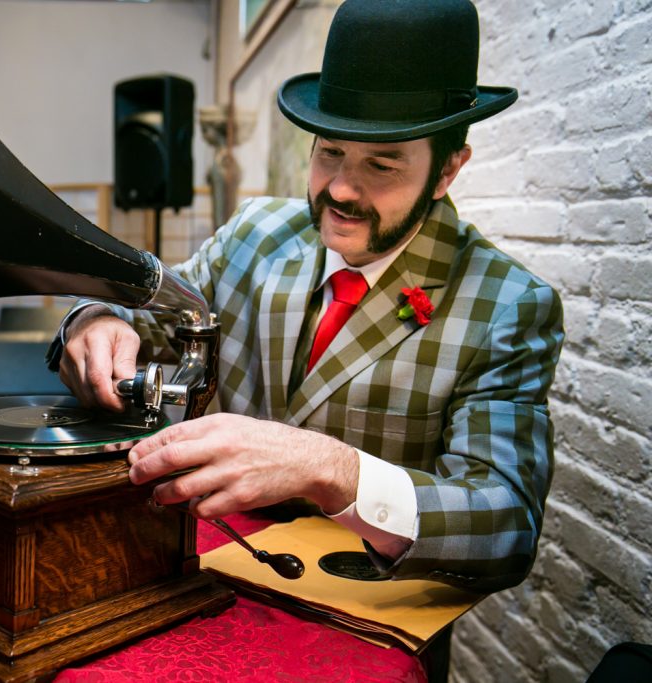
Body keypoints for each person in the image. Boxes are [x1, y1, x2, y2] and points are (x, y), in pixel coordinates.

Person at [51, 0, 563, 593]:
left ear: (448, 170)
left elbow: (507, 528)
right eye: (329, 152)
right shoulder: (254, 233)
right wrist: (91, 322)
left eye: (383, 165)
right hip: (203, 574)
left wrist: (331, 470)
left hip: (361, 611)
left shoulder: (507, 305)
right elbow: (152, 317)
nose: (342, 189)